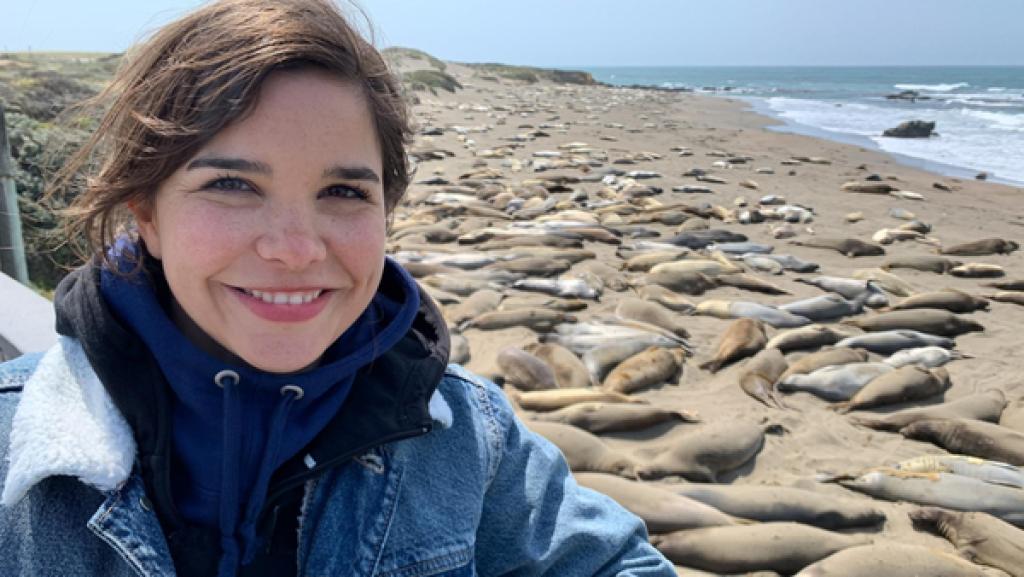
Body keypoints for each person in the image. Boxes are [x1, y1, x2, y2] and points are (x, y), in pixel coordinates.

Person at [0, 1, 676, 575]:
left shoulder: (466, 433)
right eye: (231, 184)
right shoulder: (11, 440)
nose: (296, 249)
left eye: (344, 191)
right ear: (146, 214)